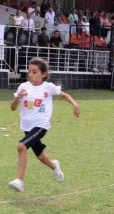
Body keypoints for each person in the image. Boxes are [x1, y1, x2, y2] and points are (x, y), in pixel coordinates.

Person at [8, 57, 80, 192]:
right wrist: (18, 98)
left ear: (44, 74)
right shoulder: (23, 87)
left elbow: (64, 95)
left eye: (34, 72)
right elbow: (12, 108)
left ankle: (19, 180)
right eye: (29, 72)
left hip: (41, 125)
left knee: (21, 146)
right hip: (27, 127)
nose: (30, 74)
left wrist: (74, 104)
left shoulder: (48, 87)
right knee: (40, 156)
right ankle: (55, 166)